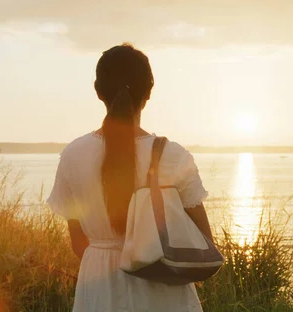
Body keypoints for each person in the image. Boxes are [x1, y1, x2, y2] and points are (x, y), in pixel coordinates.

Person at [47, 43, 214, 311]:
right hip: (163, 286)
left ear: (98, 91)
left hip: (99, 287)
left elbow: (78, 243)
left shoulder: (73, 155)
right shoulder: (173, 155)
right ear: (148, 91)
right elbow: (204, 242)